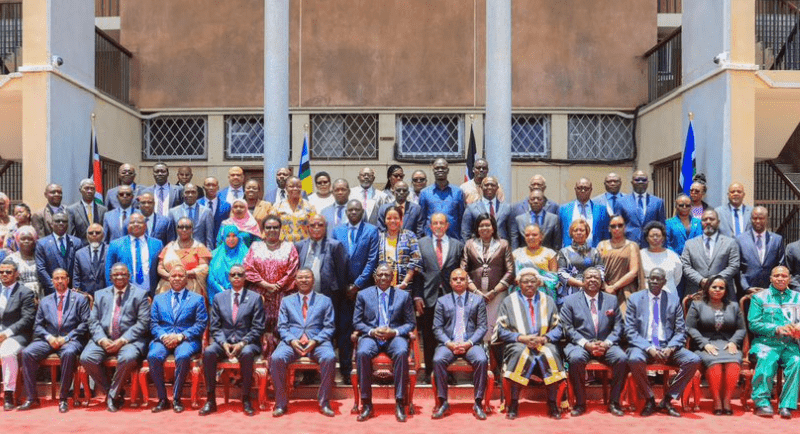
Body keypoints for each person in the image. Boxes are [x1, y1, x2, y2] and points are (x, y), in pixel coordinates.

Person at [625, 268, 701, 418]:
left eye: (658, 279)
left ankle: (667, 400)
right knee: (634, 359)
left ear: (664, 282)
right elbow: (630, 331)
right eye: (651, 278)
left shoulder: (673, 300)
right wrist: (649, 348)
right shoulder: (635, 299)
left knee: (693, 360)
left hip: (668, 345)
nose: (654, 281)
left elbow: (680, 330)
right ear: (647, 280)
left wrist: (671, 347)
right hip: (643, 345)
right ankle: (650, 399)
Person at [492, 268, 566, 420]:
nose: (529, 285)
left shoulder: (548, 300)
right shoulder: (509, 301)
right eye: (525, 282)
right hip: (518, 343)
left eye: (533, 281)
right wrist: (521, 338)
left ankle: (552, 403)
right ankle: (513, 403)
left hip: (543, 341)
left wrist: (544, 339)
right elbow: (501, 330)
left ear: (539, 283)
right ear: (519, 284)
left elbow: (559, 328)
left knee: (551, 353)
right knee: (520, 353)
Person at [79, 263, 150, 412]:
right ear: (110, 277)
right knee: (86, 358)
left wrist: (122, 340)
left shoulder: (140, 294)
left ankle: (111, 396)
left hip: (129, 340)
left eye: (123, 274)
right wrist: (102, 340)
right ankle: (114, 393)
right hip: (104, 339)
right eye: (116, 274)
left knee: (128, 357)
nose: (119, 277)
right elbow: (93, 321)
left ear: (129, 276)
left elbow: (143, 323)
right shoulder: (100, 294)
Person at [19, 269, 90, 413]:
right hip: (49, 339)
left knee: (69, 353)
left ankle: (63, 398)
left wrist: (66, 338)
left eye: (62, 278)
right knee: (26, 353)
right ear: (52, 281)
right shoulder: (45, 301)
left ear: (68, 280)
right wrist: (49, 337)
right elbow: (38, 325)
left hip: (71, 339)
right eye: (56, 278)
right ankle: (32, 397)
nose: (59, 281)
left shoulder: (79, 299)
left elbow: (85, 324)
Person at [560, 267, 627, 417]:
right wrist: (586, 344)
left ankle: (614, 403)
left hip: (605, 344)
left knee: (622, 359)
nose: (592, 280)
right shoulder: (570, 301)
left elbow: (618, 326)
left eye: (596, 278)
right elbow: (567, 327)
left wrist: (607, 343)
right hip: (580, 344)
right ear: (583, 281)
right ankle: (580, 403)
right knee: (576, 359)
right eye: (589, 277)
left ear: (601, 281)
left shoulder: (611, 299)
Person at [353, 264, 416, 422]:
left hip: (394, 337)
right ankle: (367, 404)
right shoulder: (363, 295)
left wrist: (393, 332)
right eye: (380, 275)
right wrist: (372, 331)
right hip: (371, 336)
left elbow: (410, 323)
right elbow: (357, 322)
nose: (383, 278)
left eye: (387, 275)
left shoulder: (403, 296)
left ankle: (400, 403)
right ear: (375, 277)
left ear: (392, 277)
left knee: (402, 352)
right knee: (362, 353)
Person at [200, 264, 265, 417]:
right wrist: (224, 343)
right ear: (229, 278)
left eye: (240, 274)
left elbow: (258, 327)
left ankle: (246, 399)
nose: (236, 277)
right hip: (224, 342)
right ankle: (211, 400)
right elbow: (215, 327)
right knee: (209, 352)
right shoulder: (219, 298)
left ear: (245, 277)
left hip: (247, 343)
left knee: (247, 353)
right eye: (233, 274)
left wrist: (242, 343)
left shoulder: (255, 298)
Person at [270, 268, 336, 417]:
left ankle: (324, 402)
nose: (304, 280)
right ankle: (281, 403)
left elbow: (329, 327)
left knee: (329, 357)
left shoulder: (325, 300)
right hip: (292, 342)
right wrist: (292, 340)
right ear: (295, 281)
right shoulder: (287, 301)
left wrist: (316, 340)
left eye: (307, 277)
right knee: (276, 358)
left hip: (317, 341)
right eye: (300, 278)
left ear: (313, 280)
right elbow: (282, 326)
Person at [147, 265, 208, 413]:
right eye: (174, 276)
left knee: (183, 356)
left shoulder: (197, 299)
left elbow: (201, 324)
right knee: (153, 355)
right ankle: (162, 399)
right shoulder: (158, 299)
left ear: (186, 279)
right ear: (168, 279)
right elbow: (153, 323)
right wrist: (164, 336)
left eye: (181, 276)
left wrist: (180, 336)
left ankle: (176, 398)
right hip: (163, 338)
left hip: (186, 338)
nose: (177, 278)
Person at [413, 213, 465, 383]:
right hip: (429, 297)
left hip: (451, 297)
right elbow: (417, 273)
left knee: (450, 336)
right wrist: (417, 296)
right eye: (435, 223)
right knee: (429, 336)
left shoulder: (457, 245)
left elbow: (461, 271)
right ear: (430, 226)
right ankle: (429, 371)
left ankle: (447, 371)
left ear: (447, 225)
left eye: (441, 223)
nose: (438, 226)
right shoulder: (421, 244)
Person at [332, 200, 379, 383]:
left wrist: (358, 284)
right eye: (350, 210)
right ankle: (345, 371)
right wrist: (345, 286)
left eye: (356, 209)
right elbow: (336, 260)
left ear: (362, 211)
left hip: (365, 290)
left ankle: (365, 371)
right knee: (344, 331)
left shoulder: (371, 230)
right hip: (343, 292)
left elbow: (372, 260)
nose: (353, 212)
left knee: (365, 330)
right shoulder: (338, 230)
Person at [430, 268, 488, 420]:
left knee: (481, 360)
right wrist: (449, 344)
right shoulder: (442, 301)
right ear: (450, 282)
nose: (458, 281)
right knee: (438, 360)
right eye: (455, 279)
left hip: (471, 344)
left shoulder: (477, 300)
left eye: (462, 279)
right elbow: (437, 328)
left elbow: (482, 327)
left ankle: (478, 402)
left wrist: (469, 343)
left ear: (467, 281)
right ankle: (443, 402)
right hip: (449, 344)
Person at [685, 275, 745, 415]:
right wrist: (704, 344)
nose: (717, 290)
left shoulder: (733, 306)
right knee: (715, 363)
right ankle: (717, 401)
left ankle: (727, 400)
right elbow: (690, 328)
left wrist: (733, 342)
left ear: (725, 290)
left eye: (721, 287)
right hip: (704, 345)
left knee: (733, 362)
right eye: (714, 287)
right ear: (708, 288)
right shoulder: (697, 305)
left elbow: (741, 329)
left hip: (728, 344)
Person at [748, 266, 800, 419]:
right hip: (766, 342)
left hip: (790, 344)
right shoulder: (759, 298)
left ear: (789, 279)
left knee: (797, 361)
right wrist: (777, 329)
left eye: (784, 276)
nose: (780, 278)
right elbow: (753, 323)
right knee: (766, 358)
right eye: (777, 275)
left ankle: (786, 405)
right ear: (770, 278)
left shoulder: (798, 298)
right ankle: (762, 402)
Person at [244, 215, 299, 355]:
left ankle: (280, 360)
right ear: (263, 230)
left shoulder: (289, 247)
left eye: (275, 227)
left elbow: (293, 270)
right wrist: (266, 285)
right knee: (258, 326)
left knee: (282, 327)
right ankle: (258, 359)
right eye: (268, 227)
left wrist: (277, 285)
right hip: (259, 295)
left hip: (283, 295)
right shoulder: (255, 247)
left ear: (280, 229)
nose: (272, 230)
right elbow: (248, 268)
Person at [461, 213, 514, 342]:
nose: (484, 228)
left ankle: (496, 358)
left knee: (497, 326)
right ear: (477, 228)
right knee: (477, 326)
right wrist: (476, 292)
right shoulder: (469, 244)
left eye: (488, 225)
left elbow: (510, 271)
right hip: (475, 294)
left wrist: (494, 291)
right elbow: (463, 270)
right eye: (481, 226)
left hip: (498, 294)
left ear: (493, 227)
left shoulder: (503, 244)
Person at [681, 209, 740, 300]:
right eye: (705, 220)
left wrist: (715, 282)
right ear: (701, 223)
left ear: (718, 222)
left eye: (712, 219)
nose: (708, 222)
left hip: (724, 297)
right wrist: (700, 280)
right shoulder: (690, 244)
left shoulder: (730, 243)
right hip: (696, 294)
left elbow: (734, 266)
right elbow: (685, 266)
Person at [0, 260, 36, 410]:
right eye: (1, 272)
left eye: (8, 272)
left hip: (16, 335)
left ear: (16, 274)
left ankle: (9, 394)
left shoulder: (25, 293)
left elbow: (27, 319)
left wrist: (6, 334)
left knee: (7, 351)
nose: (4, 275)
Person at [105, 214, 163, 296]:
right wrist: (114, 294)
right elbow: (109, 271)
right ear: (127, 226)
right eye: (132, 222)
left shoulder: (157, 244)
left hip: (150, 295)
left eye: (139, 222)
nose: (135, 224)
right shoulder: (115, 245)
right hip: (124, 295)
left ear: (145, 226)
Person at [596, 215, 643, 312]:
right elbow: (597, 268)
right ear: (609, 228)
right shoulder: (602, 245)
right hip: (604, 290)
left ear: (625, 227)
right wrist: (606, 287)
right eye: (613, 226)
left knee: (626, 322)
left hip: (626, 290)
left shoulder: (632, 246)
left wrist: (614, 287)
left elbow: (634, 271)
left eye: (620, 225)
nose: (616, 228)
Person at [155, 217, 212, 298]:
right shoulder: (169, 247)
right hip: (168, 288)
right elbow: (160, 267)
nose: (184, 230)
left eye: (187, 227)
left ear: (192, 230)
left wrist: (183, 276)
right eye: (181, 227)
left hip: (192, 290)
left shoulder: (199, 247)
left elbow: (204, 268)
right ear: (177, 229)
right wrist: (171, 277)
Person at [294, 214, 348, 299]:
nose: (316, 228)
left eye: (320, 225)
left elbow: (342, 274)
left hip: (328, 296)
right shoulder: (299, 246)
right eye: (312, 225)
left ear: (325, 227)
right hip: (304, 296)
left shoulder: (334, 246)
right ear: (307, 228)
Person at [737, 206, 784, 297]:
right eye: (755, 218)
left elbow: (780, 265)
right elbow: (737, 268)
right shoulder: (740, 240)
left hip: (771, 293)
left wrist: (773, 287)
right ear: (751, 219)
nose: (757, 221)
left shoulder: (777, 240)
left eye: (761, 218)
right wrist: (746, 288)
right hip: (747, 292)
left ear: (767, 219)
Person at [556, 219, 604, 307]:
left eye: (582, 230)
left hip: (592, 290)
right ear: (571, 233)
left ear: (587, 233)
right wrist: (581, 284)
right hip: (569, 292)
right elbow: (561, 272)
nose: (579, 232)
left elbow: (600, 270)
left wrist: (591, 283)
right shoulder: (564, 252)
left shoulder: (594, 252)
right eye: (575, 230)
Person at [613, 170, 666, 246]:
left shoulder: (658, 202)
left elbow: (662, 227)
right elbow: (617, 226)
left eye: (644, 180)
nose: (640, 182)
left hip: (651, 246)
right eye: (637, 180)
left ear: (648, 182)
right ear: (632, 182)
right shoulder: (621, 202)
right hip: (628, 246)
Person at [34, 212, 82, 296]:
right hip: (51, 291)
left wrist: (75, 286)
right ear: (51, 224)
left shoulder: (76, 242)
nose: (61, 223)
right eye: (57, 221)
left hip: (72, 291)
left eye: (64, 221)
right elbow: (41, 268)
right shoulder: (42, 243)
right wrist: (54, 285)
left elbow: (79, 266)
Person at [419, 159, 465, 241]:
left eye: (443, 168)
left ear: (448, 170)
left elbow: (462, 218)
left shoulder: (458, 192)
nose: (440, 170)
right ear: (433, 170)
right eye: (437, 168)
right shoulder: (425, 193)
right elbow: (422, 219)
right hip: (431, 239)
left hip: (453, 239)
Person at [378, 206, 421, 290]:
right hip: (382, 285)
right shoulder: (379, 237)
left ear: (401, 220)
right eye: (389, 218)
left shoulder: (409, 236)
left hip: (405, 285)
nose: (392, 221)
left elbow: (416, 260)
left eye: (396, 218)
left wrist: (405, 282)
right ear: (384, 220)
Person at [512, 224, 558, 300]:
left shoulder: (550, 254)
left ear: (541, 237)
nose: (530, 237)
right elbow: (511, 276)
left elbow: (554, 278)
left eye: (534, 235)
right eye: (527, 235)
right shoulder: (516, 254)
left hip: (543, 294)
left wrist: (540, 282)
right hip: (521, 295)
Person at [559, 178, 609, 247]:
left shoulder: (601, 210)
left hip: (594, 253)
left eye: (586, 188)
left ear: (591, 190)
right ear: (575, 189)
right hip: (569, 254)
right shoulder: (564, 209)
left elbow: (606, 236)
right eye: (579, 188)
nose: (583, 191)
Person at [207, 226, 250, 304]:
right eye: (228, 236)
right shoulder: (214, 255)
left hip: (240, 297)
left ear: (239, 237)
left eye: (234, 236)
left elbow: (248, 275)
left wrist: (234, 291)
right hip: (219, 296)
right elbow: (211, 278)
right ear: (223, 237)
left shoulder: (246, 255)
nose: (231, 239)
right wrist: (223, 291)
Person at [640, 221, 682, 300]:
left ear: (663, 238)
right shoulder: (640, 255)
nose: (655, 238)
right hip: (646, 296)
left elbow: (677, 277)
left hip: (669, 296)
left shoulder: (672, 256)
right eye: (652, 236)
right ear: (647, 238)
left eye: (658, 235)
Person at [461, 177, 512, 242]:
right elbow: (465, 233)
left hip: (501, 248)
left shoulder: (507, 208)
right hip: (479, 248)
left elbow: (512, 232)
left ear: (497, 188)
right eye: (486, 185)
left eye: (493, 185)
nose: (489, 187)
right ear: (481, 187)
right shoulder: (471, 208)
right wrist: (469, 250)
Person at [168, 183, 214, 248]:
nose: (190, 195)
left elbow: (209, 238)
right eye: (187, 192)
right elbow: (171, 238)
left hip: (199, 252)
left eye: (193, 192)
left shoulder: (206, 212)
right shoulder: (173, 212)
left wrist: (209, 255)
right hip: (179, 252)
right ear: (182, 194)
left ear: (197, 194)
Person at [276, 176, 316, 242]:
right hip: (283, 245)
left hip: (303, 246)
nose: (295, 189)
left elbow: (314, 227)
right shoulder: (277, 206)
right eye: (291, 186)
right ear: (286, 188)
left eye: (298, 186)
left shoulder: (310, 207)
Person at [71, 223, 107, 296]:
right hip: (86, 296)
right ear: (87, 236)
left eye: (97, 232)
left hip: (106, 295)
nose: (94, 235)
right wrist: (78, 294)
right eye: (91, 233)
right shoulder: (79, 254)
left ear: (103, 235)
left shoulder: (110, 251)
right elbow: (76, 277)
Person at [8, 227, 41, 299]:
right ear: (17, 241)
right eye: (23, 239)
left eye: (30, 239)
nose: (26, 241)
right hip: (18, 298)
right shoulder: (11, 259)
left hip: (40, 297)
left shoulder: (41, 258)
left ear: (35, 240)